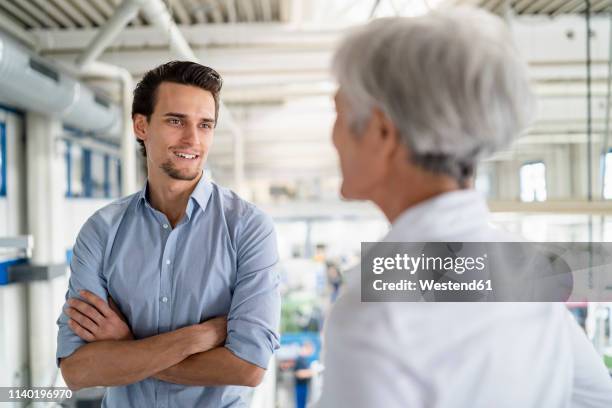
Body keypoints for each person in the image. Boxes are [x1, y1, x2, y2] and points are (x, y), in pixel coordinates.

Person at [314, 8, 612, 408]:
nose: (332, 137)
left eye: (338, 113)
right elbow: (596, 397)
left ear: (382, 133)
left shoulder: (378, 313)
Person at [55, 61, 281, 407]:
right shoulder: (101, 231)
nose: (192, 139)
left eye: (204, 125)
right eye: (176, 121)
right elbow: (77, 371)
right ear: (141, 126)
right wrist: (199, 336)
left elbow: (247, 367)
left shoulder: (248, 228)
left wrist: (127, 348)